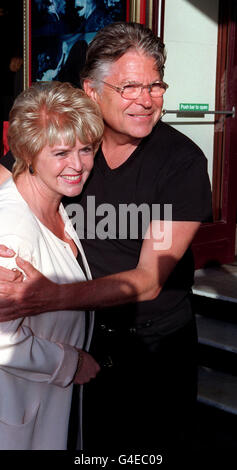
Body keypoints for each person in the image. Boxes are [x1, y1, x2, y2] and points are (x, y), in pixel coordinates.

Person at [0, 22, 212, 453]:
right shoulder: (69, 142)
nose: (146, 100)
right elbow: (8, 181)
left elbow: (149, 279)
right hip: (78, 339)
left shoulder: (182, 162)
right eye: (130, 86)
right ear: (92, 91)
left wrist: (47, 297)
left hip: (151, 346)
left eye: (155, 85)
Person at [0, 81, 103, 450]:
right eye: (61, 153)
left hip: (46, 411)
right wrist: (69, 363)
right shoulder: (11, 227)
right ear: (28, 151)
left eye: (86, 149)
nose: (77, 165)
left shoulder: (54, 203)